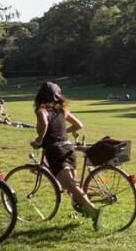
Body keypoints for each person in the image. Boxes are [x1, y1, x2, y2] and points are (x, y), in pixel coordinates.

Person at [33, 81, 99, 224]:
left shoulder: (41, 110)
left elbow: (44, 124)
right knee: (69, 185)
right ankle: (83, 203)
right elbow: (78, 125)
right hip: (68, 149)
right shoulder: (61, 110)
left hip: (56, 151)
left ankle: (93, 211)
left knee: (71, 186)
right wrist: (63, 132)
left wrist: (39, 140)